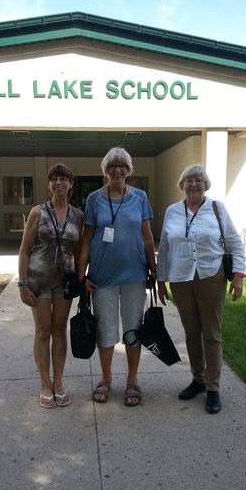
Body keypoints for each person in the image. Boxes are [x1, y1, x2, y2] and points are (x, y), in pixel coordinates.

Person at [156, 164, 245, 414]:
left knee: (212, 333)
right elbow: (164, 249)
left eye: (198, 180)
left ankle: (213, 388)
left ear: (205, 184)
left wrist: (238, 276)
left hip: (211, 275)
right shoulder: (172, 211)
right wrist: (160, 281)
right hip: (181, 279)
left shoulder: (217, 209)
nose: (193, 184)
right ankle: (198, 380)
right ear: (181, 185)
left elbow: (234, 242)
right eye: (189, 180)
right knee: (191, 332)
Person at [77, 147, 156, 407]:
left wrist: (154, 270)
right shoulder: (94, 199)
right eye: (112, 165)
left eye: (122, 165)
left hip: (134, 275)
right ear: (106, 169)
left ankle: (132, 381)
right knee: (105, 330)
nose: (117, 170)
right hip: (102, 277)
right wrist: (81, 276)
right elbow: (86, 240)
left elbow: (147, 237)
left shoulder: (140, 197)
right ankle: (106, 378)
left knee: (133, 330)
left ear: (129, 169)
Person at [18, 164, 83, 409]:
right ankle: (44, 383)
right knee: (43, 330)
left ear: (70, 185)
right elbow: (24, 251)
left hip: (65, 283)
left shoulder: (78, 215)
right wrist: (23, 284)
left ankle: (58, 383)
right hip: (39, 281)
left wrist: (80, 279)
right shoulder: (38, 212)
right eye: (54, 179)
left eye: (63, 179)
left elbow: (78, 251)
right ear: (48, 185)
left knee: (59, 329)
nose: (59, 183)